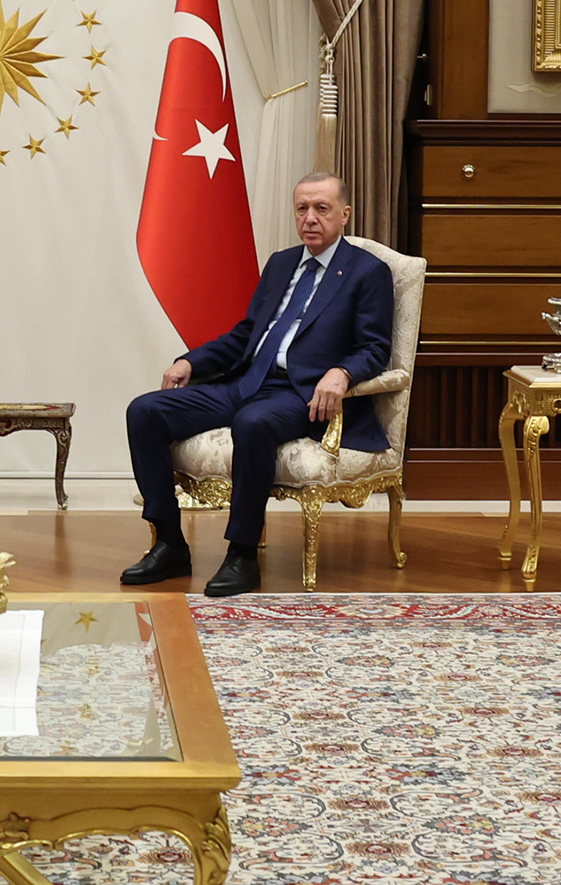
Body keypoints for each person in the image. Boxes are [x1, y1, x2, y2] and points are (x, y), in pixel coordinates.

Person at [122, 172, 394, 600]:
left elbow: (375, 347)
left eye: (321, 209)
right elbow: (247, 334)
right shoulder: (282, 263)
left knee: (253, 422)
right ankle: (169, 542)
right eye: (302, 208)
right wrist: (190, 361)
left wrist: (341, 372)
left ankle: (242, 554)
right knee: (145, 411)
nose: (309, 218)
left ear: (345, 214)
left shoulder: (367, 271)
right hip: (247, 381)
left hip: (301, 393)